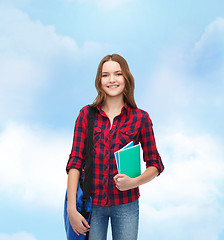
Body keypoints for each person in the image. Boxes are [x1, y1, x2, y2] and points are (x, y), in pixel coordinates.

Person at [66, 54, 164, 240]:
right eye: (105, 75)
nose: (112, 80)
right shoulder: (86, 115)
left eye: (117, 74)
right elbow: (75, 162)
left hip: (126, 205)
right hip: (91, 205)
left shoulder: (141, 118)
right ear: (99, 80)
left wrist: (133, 182)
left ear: (126, 78)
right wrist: (72, 207)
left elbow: (155, 164)